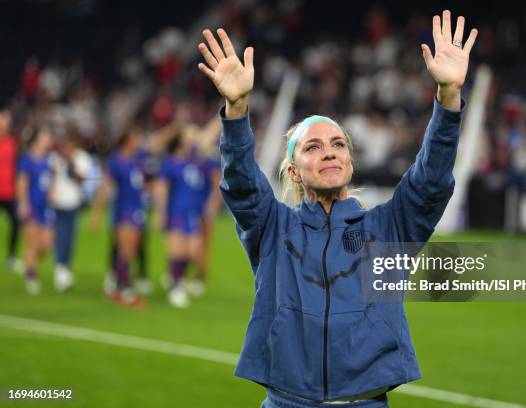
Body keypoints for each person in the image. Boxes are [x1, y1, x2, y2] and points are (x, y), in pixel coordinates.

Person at [197, 10, 477, 408]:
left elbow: (430, 181)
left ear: (350, 161)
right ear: (293, 170)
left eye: (338, 144)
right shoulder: (273, 227)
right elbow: (241, 184)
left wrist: (448, 99)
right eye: (312, 146)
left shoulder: (388, 228)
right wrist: (238, 108)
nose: (328, 151)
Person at [90, 122, 176, 308]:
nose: (140, 140)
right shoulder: (116, 161)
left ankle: (119, 287)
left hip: (138, 211)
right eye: (137, 137)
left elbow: (157, 142)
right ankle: (125, 290)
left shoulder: (139, 158)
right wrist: (96, 214)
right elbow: (105, 187)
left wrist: (174, 127)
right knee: (126, 251)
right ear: (128, 139)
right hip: (123, 211)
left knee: (132, 250)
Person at [153, 116, 222, 307]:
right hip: (176, 212)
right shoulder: (171, 163)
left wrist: (224, 113)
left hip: (193, 213)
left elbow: (208, 137)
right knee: (178, 251)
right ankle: (175, 287)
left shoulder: (198, 161)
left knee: (193, 251)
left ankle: (178, 279)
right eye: (188, 138)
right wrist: (160, 214)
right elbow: (161, 189)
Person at [49, 132, 93, 291]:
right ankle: (60, 268)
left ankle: (65, 267)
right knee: (60, 236)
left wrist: (71, 163)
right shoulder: (55, 158)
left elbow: (82, 180)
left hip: (73, 203)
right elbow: (50, 179)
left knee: (70, 238)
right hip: (57, 203)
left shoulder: (82, 158)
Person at [16, 126, 56, 295]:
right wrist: (23, 203)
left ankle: (29, 263)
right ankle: (31, 274)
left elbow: (49, 181)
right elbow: (22, 182)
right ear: (37, 139)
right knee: (32, 242)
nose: (48, 140)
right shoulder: (27, 160)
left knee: (47, 244)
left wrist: (51, 194)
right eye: (45, 136)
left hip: (45, 207)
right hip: (31, 205)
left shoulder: (48, 160)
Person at [0, 107, 22, 273]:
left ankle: (11, 258)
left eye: (5, 120)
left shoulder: (13, 143)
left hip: (9, 192)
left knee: (16, 222)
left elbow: (18, 168)